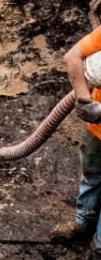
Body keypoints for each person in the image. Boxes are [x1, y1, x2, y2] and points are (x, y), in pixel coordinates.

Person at [50, 27, 101, 248]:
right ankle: (83, 223)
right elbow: (73, 57)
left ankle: (99, 245)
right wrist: (83, 99)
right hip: (96, 130)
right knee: (91, 176)